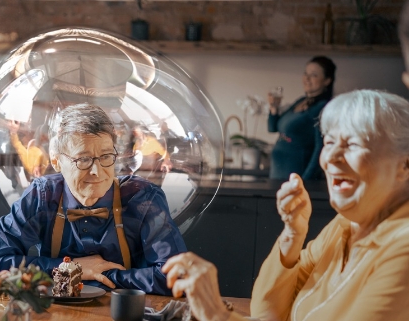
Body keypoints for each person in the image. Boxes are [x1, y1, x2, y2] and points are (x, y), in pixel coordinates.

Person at [162, 90, 409, 321]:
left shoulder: (403, 249)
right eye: (330, 142)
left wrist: (218, 314)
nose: (331, 158)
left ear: (404, 166)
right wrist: (292, 236)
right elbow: (268, 313)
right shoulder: (345, 226)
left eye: (354, 144)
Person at [0, 103, 187, 295]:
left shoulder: (143, 199)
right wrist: (72, 268)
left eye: (105, 157)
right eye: (83, 159)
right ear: (57, 162)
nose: (97, 171)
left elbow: (176, 277)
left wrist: (103, 275)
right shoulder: (42, 195)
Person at [267, 56, 336, 180]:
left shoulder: (323, 108)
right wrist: (274, 108)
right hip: (278, 172)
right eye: (305, 73)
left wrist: (306, 181)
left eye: (314, 75)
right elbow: (273, 127)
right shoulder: (300, 101)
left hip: (296, 173)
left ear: (327, 80)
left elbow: (320, 149)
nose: (307, 79)